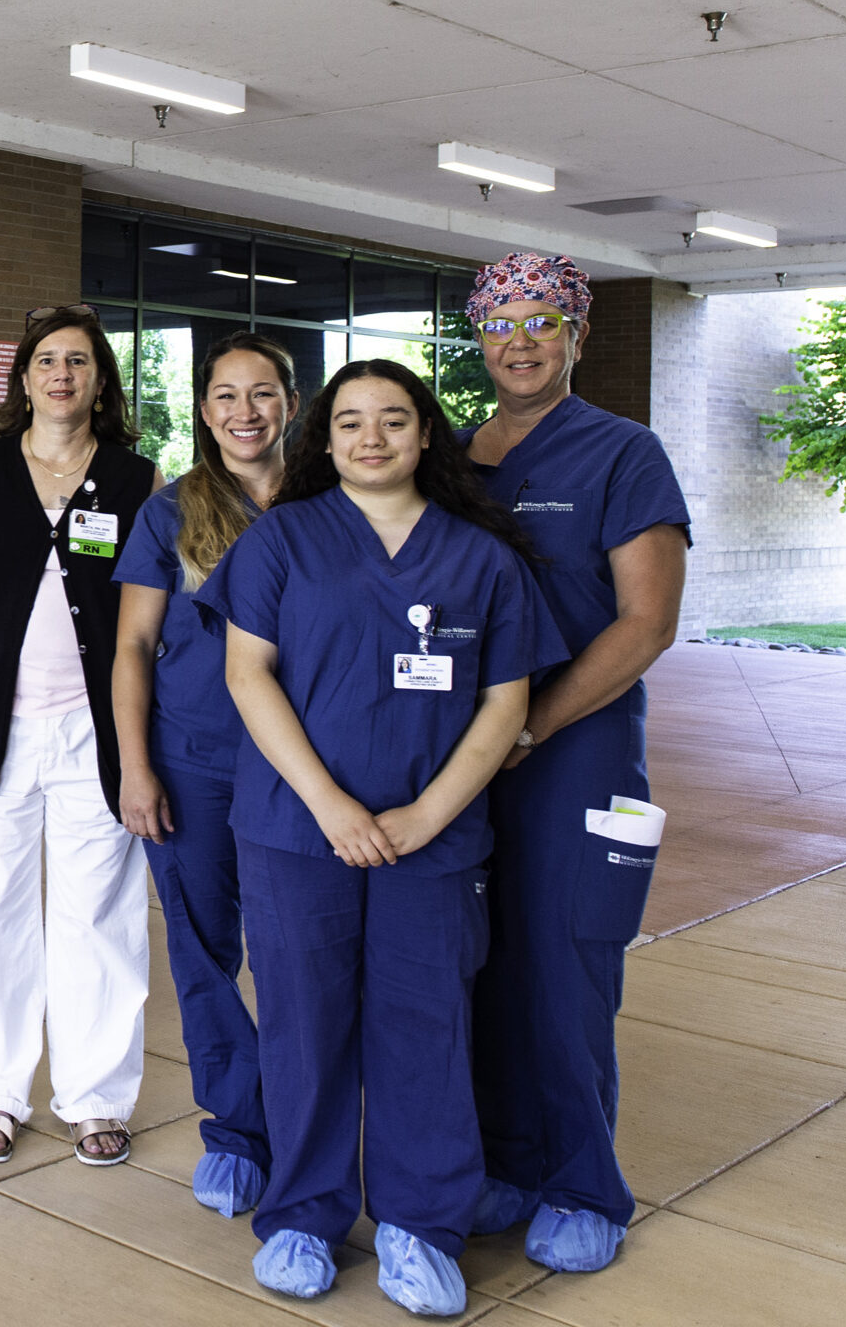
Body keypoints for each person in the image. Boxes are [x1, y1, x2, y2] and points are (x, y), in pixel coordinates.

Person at [196, 359, 567, 1318]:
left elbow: (506, 703)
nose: (371, 438)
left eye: (393, 420)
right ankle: (303, 1217)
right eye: (350, 421)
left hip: (431, 843)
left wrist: (425, 815)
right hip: (294, 832)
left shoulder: (482, 559)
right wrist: (330, 806)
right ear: (322, 439)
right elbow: (248, 678)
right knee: (304, 1026)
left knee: (425, 1028)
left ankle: (419, 1226)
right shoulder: (281, 540)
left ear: (425, 436)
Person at [459, 254, 690, 1275]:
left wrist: (533, 724)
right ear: (479, 335)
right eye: (502, 322)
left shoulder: (623, 451)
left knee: (565, 968)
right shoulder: (456, 456)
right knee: (477, 962)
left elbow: (648, 620)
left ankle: (584, 1183)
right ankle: (504, 1161)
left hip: (573, 753)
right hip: (464, 758)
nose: (521, 339)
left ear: (577, 336)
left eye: (544, 321)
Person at [0, 307, 161, 1168]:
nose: (61, 375)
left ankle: (95, 1097)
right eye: (46, 362)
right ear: (21, 379)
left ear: (100, 381)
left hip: (97, 731)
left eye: (78, 362)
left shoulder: (140, 480)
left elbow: (149, 610)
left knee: (96, 914)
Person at [111, 332, 296, 1216]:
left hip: (308, 770)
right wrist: (135, 766)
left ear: (290, 404)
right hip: (193, 764)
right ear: (202, 410)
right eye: (225, 396)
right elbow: (133, 645)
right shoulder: (171, 511)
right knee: (204, 954)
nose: (244, 413)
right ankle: (235, 1131)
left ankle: (309, 1123)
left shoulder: (333, 499)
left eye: (261, 394)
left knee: (301, 956)